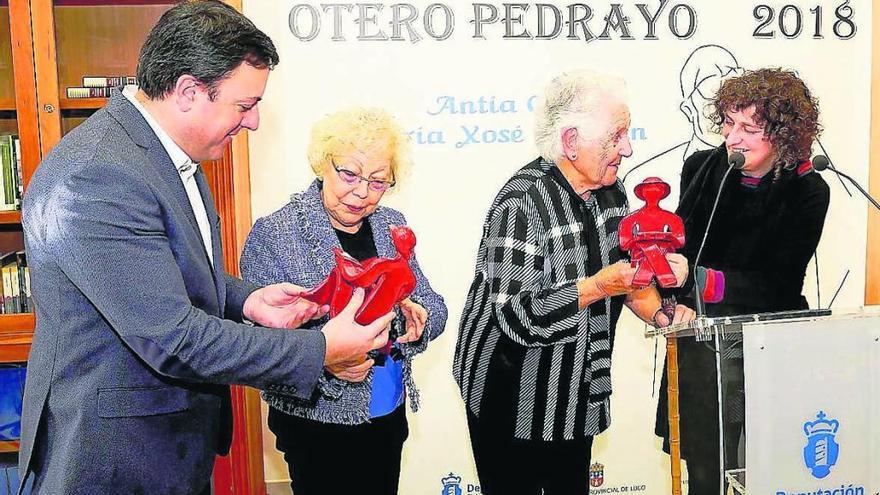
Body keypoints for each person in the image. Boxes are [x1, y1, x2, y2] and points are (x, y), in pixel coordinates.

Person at [18, 2, 394, 494]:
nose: (254, 122)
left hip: (165, 445)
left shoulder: (163, 156)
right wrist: (320, 349)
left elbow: (163, 272)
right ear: (190, 91)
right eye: (244, 105)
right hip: (115, 458)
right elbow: (172, 337)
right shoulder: (101, 174)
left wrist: (246, 300)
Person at [452, 70, 695, 495]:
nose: (628, 148)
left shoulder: (611, 191)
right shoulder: (521, 203)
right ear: (570, 142)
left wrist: (659, 310)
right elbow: (517, 316)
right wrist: (598, 286)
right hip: (509, 395)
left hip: (575, 395)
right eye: (616, 136)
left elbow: (628, 274)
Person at [239, 107, 447, 495]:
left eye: (378, 181)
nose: (361, 192)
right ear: (323, 164)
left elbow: (432, 304)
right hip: (315, 423)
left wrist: (414, 319)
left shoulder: (391, 224)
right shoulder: (275, 233)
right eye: (349, 174)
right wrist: (326, 360)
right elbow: (257, 348)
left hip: (386, 412)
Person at [655, 68, 830, 494]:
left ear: (785, 134)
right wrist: (666, 281)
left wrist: (701, 279)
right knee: (704, 471)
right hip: (701, 344)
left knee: (770, 468)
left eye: (749, 128)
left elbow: (779, 286)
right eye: (729, 123)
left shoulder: (808, 191)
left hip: (765, 351)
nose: (733, 138)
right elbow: (681, 243)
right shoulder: (703, 168)